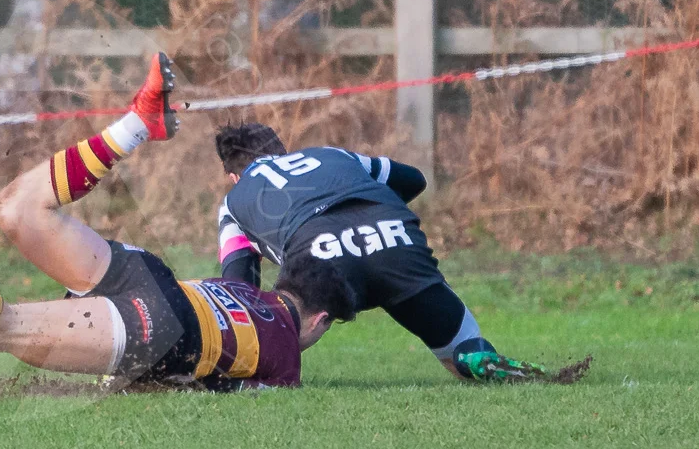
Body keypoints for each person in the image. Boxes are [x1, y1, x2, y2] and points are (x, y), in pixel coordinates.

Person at [0, 54, 358, 390]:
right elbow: (226, 386)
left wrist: (258, 185)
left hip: (150, 275)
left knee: (18, 209)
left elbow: (235, 232)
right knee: (2, 331)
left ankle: (134, 127)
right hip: (163, 327)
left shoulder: (244, 289)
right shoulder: (287, 361)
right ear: (319, 321)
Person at [212, 121, 548, 381]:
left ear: (232, 176)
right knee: (456, 349)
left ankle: (257, 375)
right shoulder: (332, 155)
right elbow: (413, 179)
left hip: (319, 254)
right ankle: (475, 355)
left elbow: (238, 288)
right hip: (394, 236)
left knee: (279, 325)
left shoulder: (233, 203)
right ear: (283, 150)